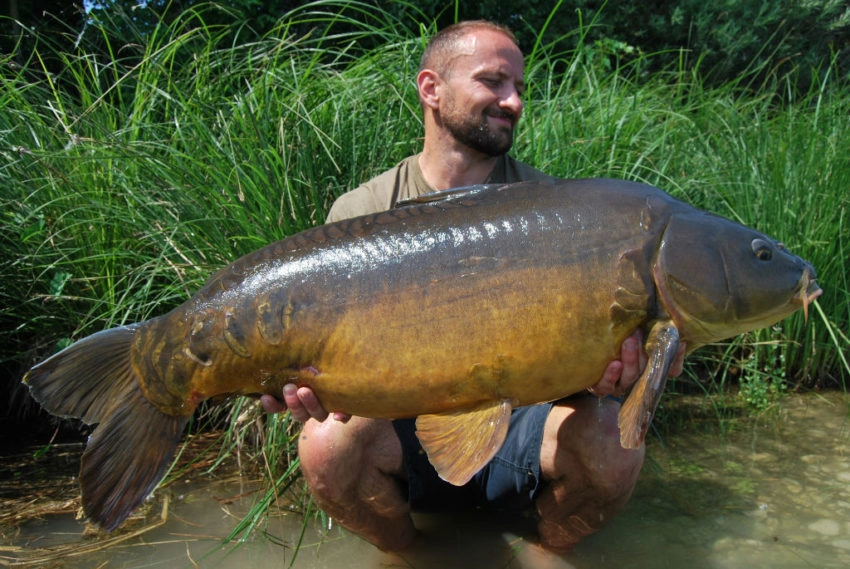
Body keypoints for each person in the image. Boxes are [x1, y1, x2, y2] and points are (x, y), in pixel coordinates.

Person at [261, 20, 686, 553]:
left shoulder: (552, 211)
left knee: (615, 444)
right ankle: (413, 555)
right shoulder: (360, 212)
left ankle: (542, 552)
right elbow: (331, 382)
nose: (513, 102)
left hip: (524, 425)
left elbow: (581, 369)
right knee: (325, 444)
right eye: (494, 82)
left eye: (519, 89)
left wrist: (611, 376)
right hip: (404, 432)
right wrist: (305, 387)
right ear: (430, 88)